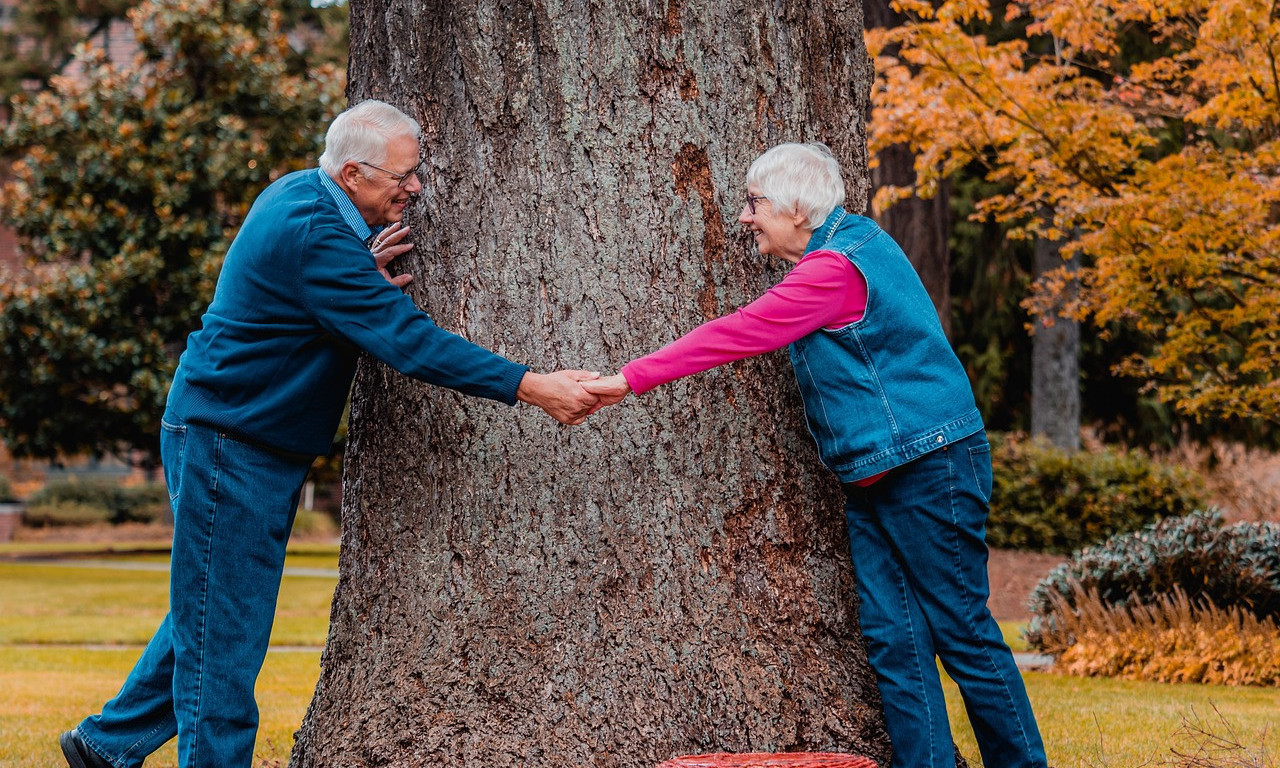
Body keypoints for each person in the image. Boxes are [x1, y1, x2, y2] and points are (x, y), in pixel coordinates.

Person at [59, 100, 600, 768]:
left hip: (246, 435)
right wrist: (531, 384)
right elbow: (408, 340)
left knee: (210, 606)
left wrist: (355, 273)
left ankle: (104, 746)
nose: (416, 188)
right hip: (230, 441)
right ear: (351, 173)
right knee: (224, 635)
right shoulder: (317, 234)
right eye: (401, 176)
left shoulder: (302, 198)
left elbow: (316, 292)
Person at [583, 143, 1048, 768]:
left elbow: (740, 332)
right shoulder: (847, 246)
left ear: (797, 207)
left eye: (755, 203)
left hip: (928, 467)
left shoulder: (835, 268)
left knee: (962, 631)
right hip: (876, 475)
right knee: (895, 640)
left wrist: (630, 378)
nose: (745, 217)